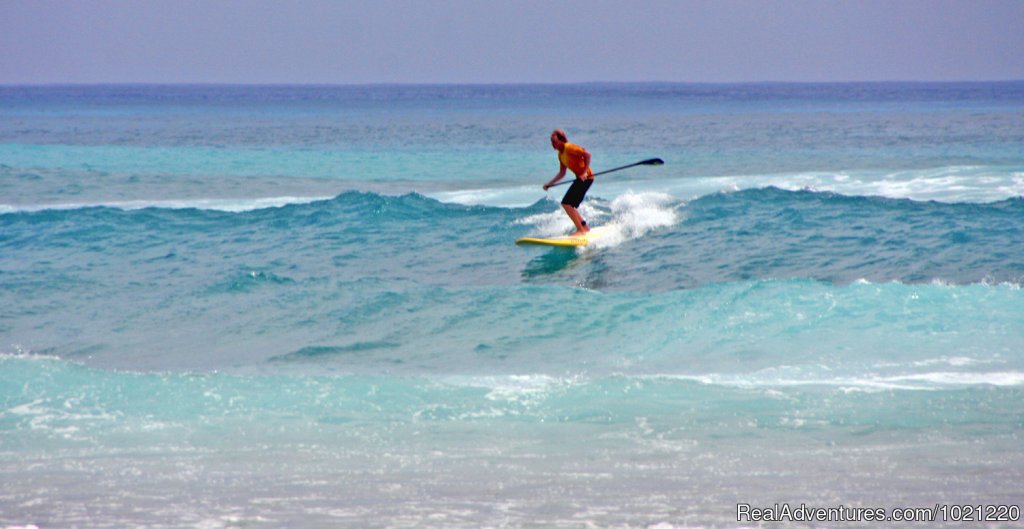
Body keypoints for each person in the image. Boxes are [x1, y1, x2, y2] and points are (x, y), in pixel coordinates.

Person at [543, 129, 593, 236]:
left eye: (555, 141)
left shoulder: (569, 148)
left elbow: (587, 154)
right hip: (581, 179)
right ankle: (584, 227)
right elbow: (562, 172)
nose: (553, 144)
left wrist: (584, 172)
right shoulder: (560, 155)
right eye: (551, 142)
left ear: (561, 140)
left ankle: (580, 231)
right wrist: (550, 184)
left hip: (586, 178)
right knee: (570, 205)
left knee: (566, 204)